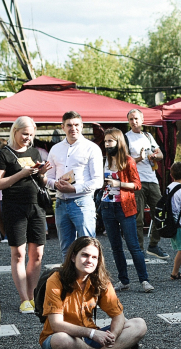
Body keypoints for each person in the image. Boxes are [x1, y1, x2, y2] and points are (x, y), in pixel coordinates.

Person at [39, 236, 148, 349]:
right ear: (73, 257)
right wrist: (92, 333)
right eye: (84, 255)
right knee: (60, 339)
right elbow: (56, 325)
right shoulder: (56, 280)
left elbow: (118, 316)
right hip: (61, 342)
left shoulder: (100, 280)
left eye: (94, 257)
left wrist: (111, 338)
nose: (89, 261)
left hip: (89, 339)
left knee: (139, 324)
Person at [0, 116, 52, 313]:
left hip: (36, 207)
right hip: (14, 207)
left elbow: (40, 183)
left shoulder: (34, 152)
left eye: (31, 135)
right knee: (18, 253)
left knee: (38, 254)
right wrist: (22, 174)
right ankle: (24, 298)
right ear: (15, 131)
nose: (28, 138)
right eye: (25, 134)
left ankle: (33, 296)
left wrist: (41, 174)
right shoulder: (3, 154)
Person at [100, 128, 152, 293]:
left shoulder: (129, 161)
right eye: (106, 141)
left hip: (125, 207)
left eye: (110, 141)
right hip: (107, 206)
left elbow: (137, 185)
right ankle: (124, 281)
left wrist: (119, 184)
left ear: (118, 142)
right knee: (115, 247)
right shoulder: (105, 160)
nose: (107, 144)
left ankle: (144, 280)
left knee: (133, 245)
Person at [45, 111, 103, 255]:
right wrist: (55, 184)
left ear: (82, 126)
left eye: (77, 125)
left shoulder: (92, 148)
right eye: (69, 125)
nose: (73, 128)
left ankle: (90, 278)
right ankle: (69, 278)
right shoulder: (55, 149)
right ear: (62, 127)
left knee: (88, 248)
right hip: (60, 203)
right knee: (66, 251)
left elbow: (98, 181)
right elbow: (48, 178)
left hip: (82, 202)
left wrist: (74, 189)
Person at [125, 109, 169, 260]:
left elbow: (161, 155)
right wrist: (138, 158)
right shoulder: (126, 138)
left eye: (136, 118)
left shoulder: (148, 136)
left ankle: (153, 245)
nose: (134, 122)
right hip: (136, 181)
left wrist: (155, 156)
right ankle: (139, 249)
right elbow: (123, 162)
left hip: (152, 180)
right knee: (138, 217)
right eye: (131, 119)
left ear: (142, 119)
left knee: (161, 212)